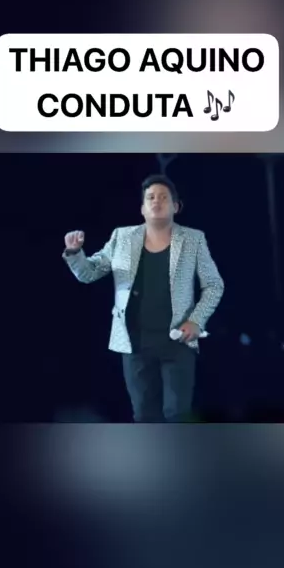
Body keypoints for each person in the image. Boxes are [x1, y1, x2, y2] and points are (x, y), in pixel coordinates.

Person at [62, 175, 224, 421]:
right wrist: (75, 253)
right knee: (144, 415)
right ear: (142, 208)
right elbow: (89, 273)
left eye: (163, 197)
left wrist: (196, 320)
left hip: (177, 343)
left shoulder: (193, 239)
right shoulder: (122, 237)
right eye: (151, 198)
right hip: (134, 343)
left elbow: (214, 284)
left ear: (176, 206)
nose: (156, 201)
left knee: (177, 414)